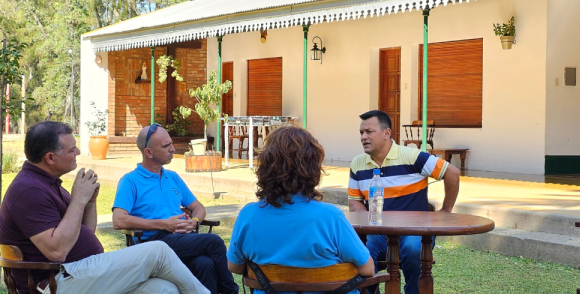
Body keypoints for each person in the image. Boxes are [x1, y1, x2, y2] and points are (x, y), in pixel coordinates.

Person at [0, 121, 209, 294]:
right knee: (158, 251)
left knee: (163, 289)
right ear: (50, 158)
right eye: (72, 149)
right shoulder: (28, 190)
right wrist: (78, 200)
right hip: (55, 283)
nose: (78, 152)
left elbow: (83, 233)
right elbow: (57, 251)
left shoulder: (47, 183)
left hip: (77, 273)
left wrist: (89, 203)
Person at [227, 126, 374, 293]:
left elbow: (235, 266)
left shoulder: (249, 215)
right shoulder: (330, 217)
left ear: (265, 167)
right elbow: (367, 269)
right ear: (313, 168)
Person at [112, 124, 239, 294]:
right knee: (214, 241)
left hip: (181, 239)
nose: (173, 149)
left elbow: (198, 207)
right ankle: (231, 291)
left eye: (171, 143)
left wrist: (194, 222)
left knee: (204, 263)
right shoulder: (130, 181)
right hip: (152, 245)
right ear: (148, 152)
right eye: (166, 146)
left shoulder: (172, 177)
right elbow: (118, 220)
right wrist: (163, 224)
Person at [348, 110, 461, 294]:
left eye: (369, 132)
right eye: (361, 132)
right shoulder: (357, 163)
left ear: (387, 133)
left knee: (412, 248)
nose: (363, 137)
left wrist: (445, 211)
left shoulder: (413, 157)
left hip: (414, 231)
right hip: (378, 232)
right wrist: (371, 220)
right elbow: (354, 202)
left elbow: (452, 173)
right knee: (363, 252)